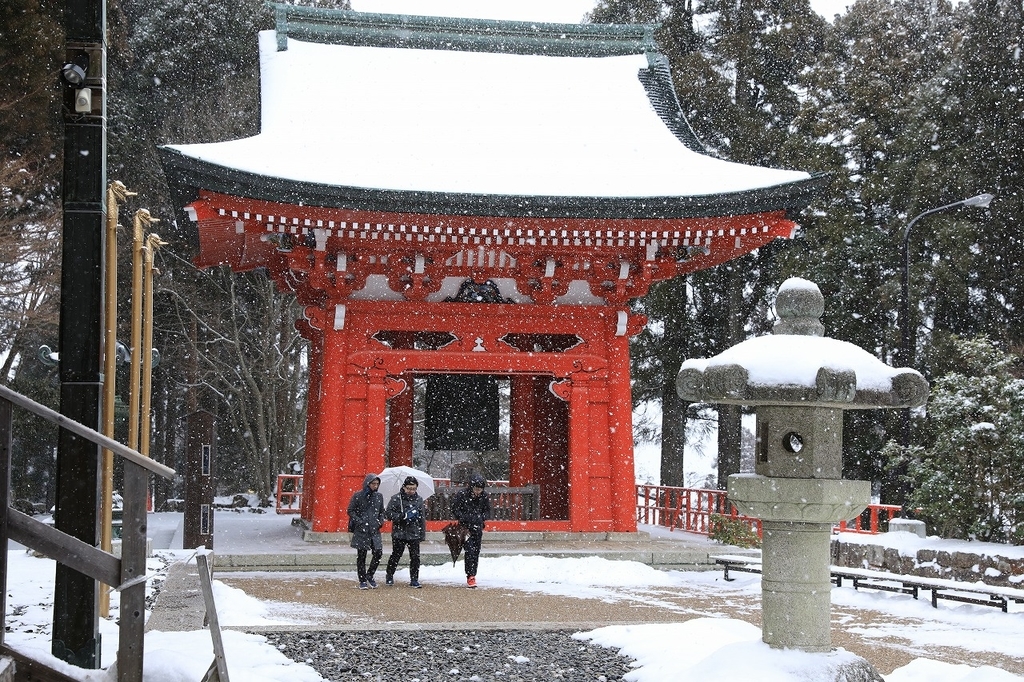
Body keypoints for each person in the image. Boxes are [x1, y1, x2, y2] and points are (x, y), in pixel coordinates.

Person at [385, 475, 427, 588]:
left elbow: (422, 518)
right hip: (399, 532)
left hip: (414, 532)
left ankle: (414, 579)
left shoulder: (419, 500)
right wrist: (402, 516)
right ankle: (389, 574)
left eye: (413, 489)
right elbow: (388, 514)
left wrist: (422, 533)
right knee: (396, 555)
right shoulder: (396, 498)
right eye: (409, 488)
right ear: (404, 487)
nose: (411, 491)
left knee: (415, 557)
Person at [451, 474, 490, 588]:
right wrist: (464, 517)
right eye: (476, 489)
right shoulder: (462, 495)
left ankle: (473, 574)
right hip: (465, 529)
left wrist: (481, 517)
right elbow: (455, 508)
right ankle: (470, 575)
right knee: (469, 550)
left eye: (480, 489)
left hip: (478, 527)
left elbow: (487, 511)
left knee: (476, 551)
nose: (478, 491)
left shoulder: (484, 496)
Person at [346, 473, 385, 589]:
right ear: (368, 483)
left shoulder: (379, 496)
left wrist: (380, 522)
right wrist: (359, 521)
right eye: (373, 483)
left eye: (377, 484)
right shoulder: (358, 496)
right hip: (362, 529)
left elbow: (382, 511)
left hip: (374, 529)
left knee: (378, 553)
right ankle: (362, 579)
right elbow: (350, 510)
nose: (375, 486)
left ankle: (370, 575)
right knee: (361, 555)